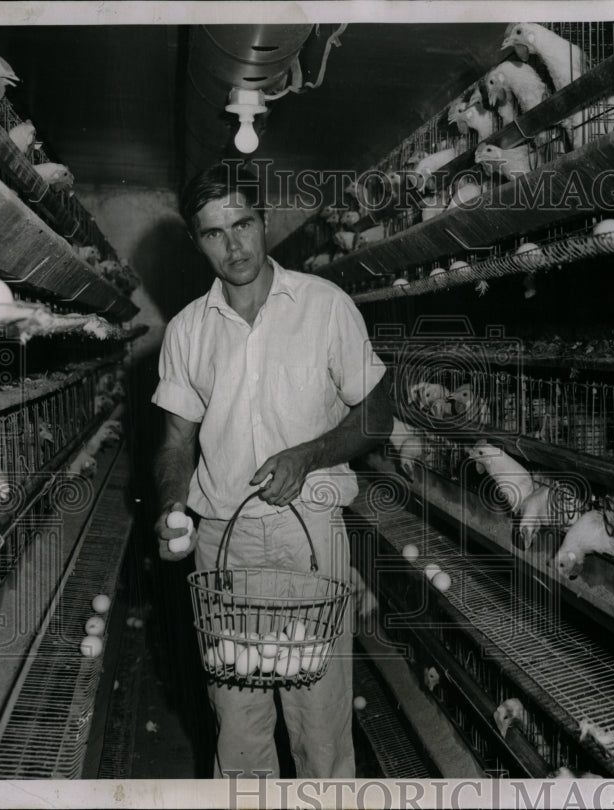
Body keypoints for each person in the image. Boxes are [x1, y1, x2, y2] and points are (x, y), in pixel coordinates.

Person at [151, 162, 393, 779]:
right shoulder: (186, 331)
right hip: (222, 543)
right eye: (213, 233)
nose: (233, 246)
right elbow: (176, 441)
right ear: (196, 242)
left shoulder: (325, 307)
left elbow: (378, 415)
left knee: (319, 717)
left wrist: (308, 454)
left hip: (308, 535)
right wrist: (171, 506)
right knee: (238, 719)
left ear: (264, 223)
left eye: (242, 224)